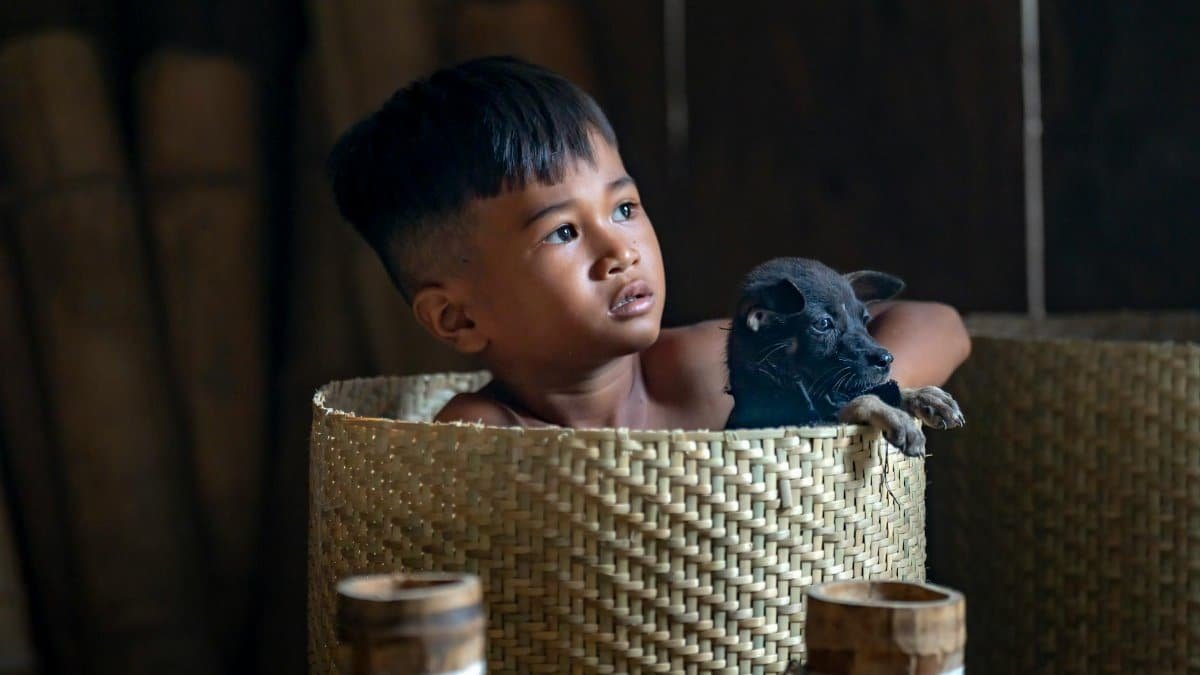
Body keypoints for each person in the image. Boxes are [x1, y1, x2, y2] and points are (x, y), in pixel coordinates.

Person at [328, 56, 970, 430]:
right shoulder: (485, 431)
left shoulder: (708, 369)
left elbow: (939, 325)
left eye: (625, 207)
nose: (621, 250)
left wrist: (843, 395)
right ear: (457, 316)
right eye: (563, 232)